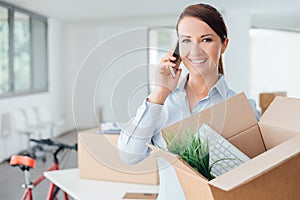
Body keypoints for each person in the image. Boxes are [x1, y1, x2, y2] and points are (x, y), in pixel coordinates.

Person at [118, 3, 260, 164]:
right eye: (186, 41)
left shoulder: (243, 108)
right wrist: (159, 93)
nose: (195, 51)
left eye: (206, 40)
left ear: (224, 44)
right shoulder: (161, 105)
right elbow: (129, 156)